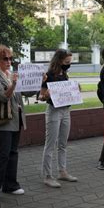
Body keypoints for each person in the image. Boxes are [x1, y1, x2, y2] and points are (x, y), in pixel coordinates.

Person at [0, 45, 26, 201]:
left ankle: (10, 185)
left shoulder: (11, 74)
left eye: (10, 58)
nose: (9, 61)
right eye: (5, 59)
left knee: (13, 153)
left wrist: (38, 82)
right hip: (5, 120)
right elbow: (3, 97)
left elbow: (26, 92)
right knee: (3, 154)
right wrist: (13, 84)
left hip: (17, 118)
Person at [39, 49, 78, 187]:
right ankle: (47, 176)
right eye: (67, 62)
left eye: (70, 62)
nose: (68, 64)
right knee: (50, 144)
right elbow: (41, 96)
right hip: (54, 111)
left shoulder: (65, 74)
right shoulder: (49, 75)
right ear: (59, 60)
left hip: (66, 110)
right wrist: (46, 95)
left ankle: (62, 171)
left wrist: (75, 90)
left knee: (63, 144)